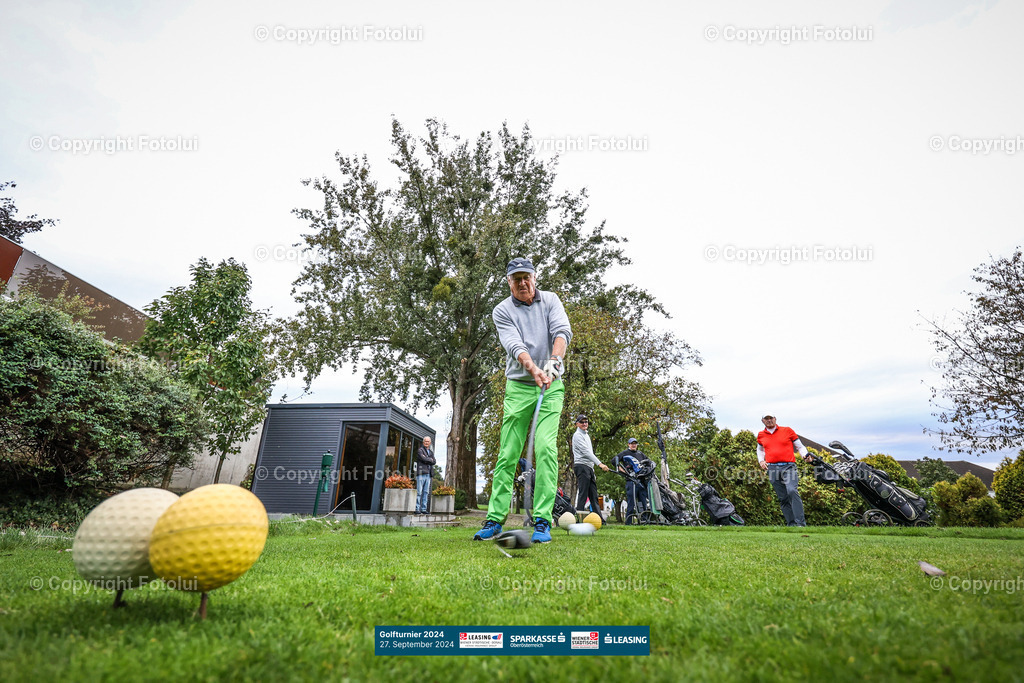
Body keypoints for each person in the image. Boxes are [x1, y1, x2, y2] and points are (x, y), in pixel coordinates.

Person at [473, 257, 572, 544]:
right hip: (519, 386)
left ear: (534, 277)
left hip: (551, 386)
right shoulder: (502, 310)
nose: (523, 283)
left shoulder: (551, 300)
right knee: (508, 453)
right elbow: (514, 344)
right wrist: (533, 369)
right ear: (509, 282)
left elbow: (562, 332)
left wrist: (553, 362)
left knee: (545, 449)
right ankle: (494, 519)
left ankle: (542, 521)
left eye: (526, 277)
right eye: (516, 279)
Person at [757, 413, 814, 526]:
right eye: (766, 418)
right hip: (772, 468)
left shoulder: (787, 430)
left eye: (771, 418)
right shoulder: (761, 435)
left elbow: (800, 446)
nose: (769, 420)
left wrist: (805, 456)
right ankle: (791, 524)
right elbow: (760, 449)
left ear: (775, 419)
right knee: (783, 497)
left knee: (792, 491)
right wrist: (761, 461)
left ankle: (800, 524)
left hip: (788, 466)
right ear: (762, 421)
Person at [572, 414, 610, 520]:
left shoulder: (586, 435)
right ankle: (578, 519)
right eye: (582, 422)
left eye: (586, 422)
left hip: (588, 467)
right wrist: (600, 464)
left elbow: (589, 453)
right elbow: (586, 452)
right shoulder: (577, 435)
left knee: (593, 495)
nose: (584, 424)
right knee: (583, 494)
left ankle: (600, 520)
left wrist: (592, 470)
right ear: (577, 424)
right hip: (581, 466)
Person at [613, 438, 651, 524]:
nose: (634, 445)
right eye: (632, 443)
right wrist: (623, 471)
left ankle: (644, 522)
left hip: (641, 481)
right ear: (628, 444)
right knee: (631, 504)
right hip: (631, 481)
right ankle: (628, 523)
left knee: (643, 503)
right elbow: (614, 461)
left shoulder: (640, 454)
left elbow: (649, 463)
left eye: (635, 443)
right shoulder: (625, 453)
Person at [414, 436, 436, 514]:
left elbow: (434, 461)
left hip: (428, 475)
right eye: (425, 441)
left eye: (428, 441)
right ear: (423, 442)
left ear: (430, 443)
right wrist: (429, 459)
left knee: (426, 492)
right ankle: (417, 509)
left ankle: (423, 509)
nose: (426, 443)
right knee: (419, 492)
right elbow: (423, 459)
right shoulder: (420, 450)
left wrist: (427, 459)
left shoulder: (431, 452)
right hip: (421, 473)